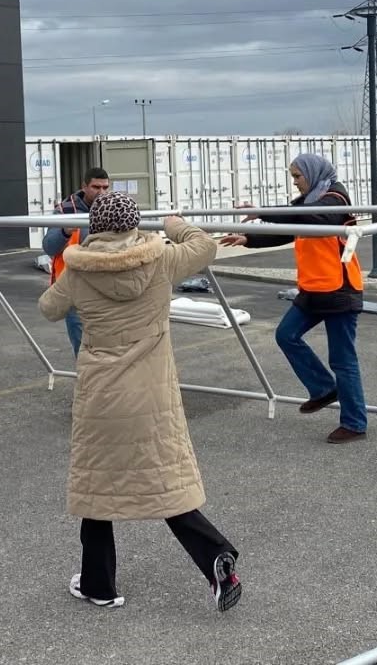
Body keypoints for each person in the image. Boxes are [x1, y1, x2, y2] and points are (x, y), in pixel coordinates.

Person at [39, 191, 241, 613]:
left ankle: (99, 584)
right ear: (134, 224)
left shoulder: (79, 269)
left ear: (94, 226)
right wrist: (174, 224)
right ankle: (214, 554)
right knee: (165, 483)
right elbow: (205, 245)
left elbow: (48, 309)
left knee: (97, 488)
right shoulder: (161, 259)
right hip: (152, 392)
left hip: (102, 395)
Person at [220, 153, 368, 444]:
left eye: (298, 176)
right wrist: (250, 239)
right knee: (286, 335)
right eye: (293, 177)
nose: (295, 182)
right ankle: (323, 389)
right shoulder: (309, 202)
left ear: (313, 174)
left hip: (339, 290)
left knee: (342, 361)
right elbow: (291, 230)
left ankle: (354, 423)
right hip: (313, 289)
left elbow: (310, 218)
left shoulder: (335, 199)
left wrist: (262, 212)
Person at [41, 167, 111, 356]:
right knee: (83, 348)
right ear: (84, 187)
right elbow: (49, 247)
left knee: (110, 346)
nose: (101, 192)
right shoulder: (65, 211)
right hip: (75, 289)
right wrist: (64, 232)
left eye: (105, 187)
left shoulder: (113, 209)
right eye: (96, 187)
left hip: (107, 287)